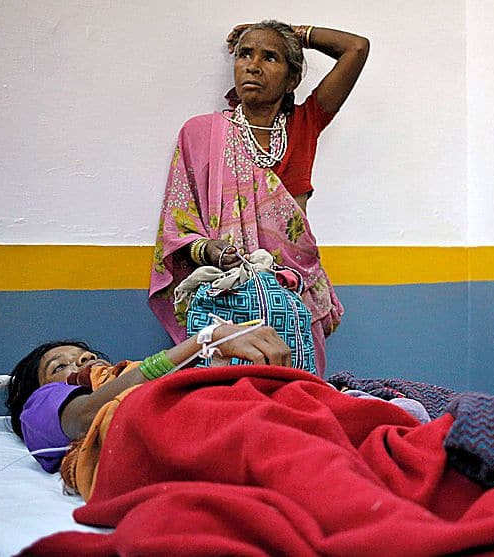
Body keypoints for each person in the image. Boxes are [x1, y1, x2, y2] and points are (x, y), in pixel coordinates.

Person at [148, 20, 370, 377]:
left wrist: (292, 33)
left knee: (297, 392)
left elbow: (356, 48)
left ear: (292, 79)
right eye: (244, 54)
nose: (252, 65)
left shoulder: (305, 124)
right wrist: (209, 250)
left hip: (294, 293)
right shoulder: (201, 133)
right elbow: (178, 225)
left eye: (270, 57)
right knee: (230, 397)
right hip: (227, 297)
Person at [5, 322, 292, 473]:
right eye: (59, 366)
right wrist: (204, 340)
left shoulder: (129, 378)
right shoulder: (39, 404)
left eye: (85, 356)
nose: (83, 361)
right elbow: (86, 417)